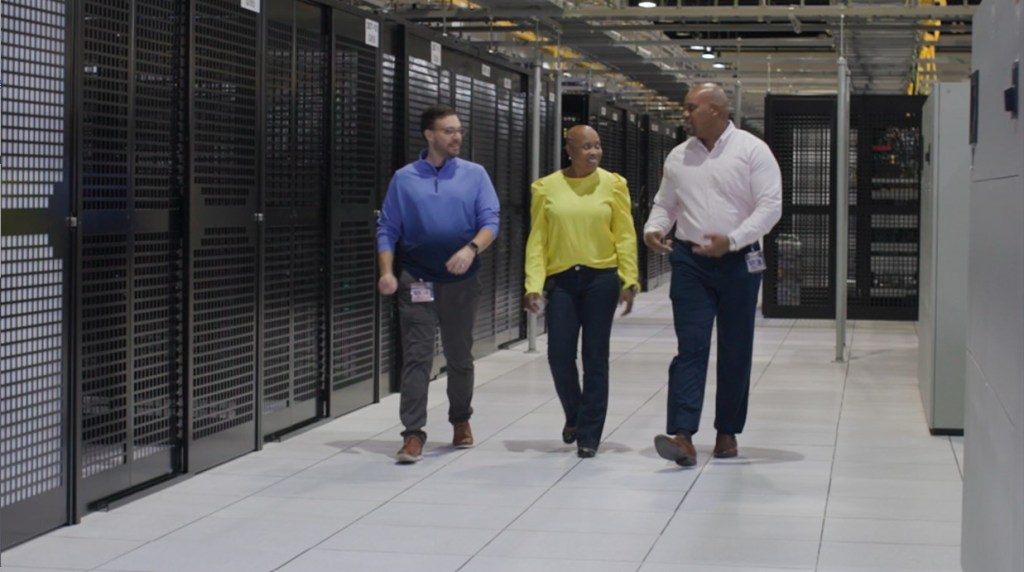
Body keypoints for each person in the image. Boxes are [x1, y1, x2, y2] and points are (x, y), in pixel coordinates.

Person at [643, 83, 782, 467]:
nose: (684, 114)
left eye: (691, 108)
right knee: (691, 346)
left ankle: (727, 432)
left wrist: (733, 240)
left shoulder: (753, 151)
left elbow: (771, 207)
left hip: (740, 261)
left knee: (736, 348)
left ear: (716, 111)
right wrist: (653, 229)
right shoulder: (678, 156)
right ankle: (683, 435)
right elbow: (665, 204)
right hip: (690, 262)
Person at [377, 104, 500, 464]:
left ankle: (461, 420)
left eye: (459, 130)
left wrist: (471, 248)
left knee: (460, 356)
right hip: (417, 278)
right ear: (429, 135)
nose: (457, 136)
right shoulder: (404, 178)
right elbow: (387, 228)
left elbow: (491, 221)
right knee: (416, 357)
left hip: (461, 280)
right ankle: (413, 433)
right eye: (448, 131)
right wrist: (386, 271)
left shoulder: (475, 175)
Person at [524, 124, 639, 459]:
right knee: (559, 355)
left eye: (598, 146)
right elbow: (537, 242)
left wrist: (628, 279)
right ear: (569, 150)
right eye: (586, 147)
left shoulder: (614, 185)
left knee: (595, 356)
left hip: (601, 279)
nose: (593, 153)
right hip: (562, 281)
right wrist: (534, 285)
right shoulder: (546, 188)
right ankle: (574, 413)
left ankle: (589, 434)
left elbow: (625, 235)